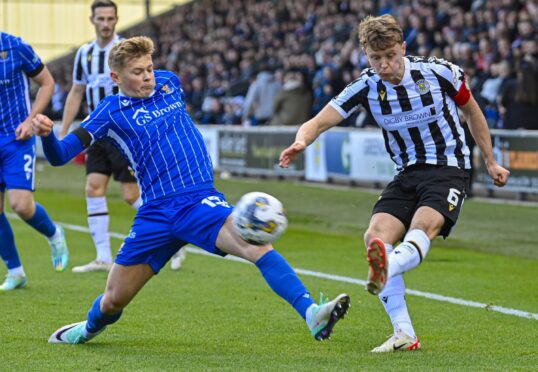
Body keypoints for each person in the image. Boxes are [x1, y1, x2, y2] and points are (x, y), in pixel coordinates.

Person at [32, 36, 350, 344]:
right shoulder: (109, 112)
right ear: (116, 76)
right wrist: (47, 134)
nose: (148, 77)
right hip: (155, 213)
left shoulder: (169, 82)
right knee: (113, 300)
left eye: (149, 68)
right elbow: (60, 155)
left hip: (199, 201)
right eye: (137, 72)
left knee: (255, 246)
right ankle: (87, 330)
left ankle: (312, 313)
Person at [279, 14, 510, 352]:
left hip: (448, 167)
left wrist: (490, 160)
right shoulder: (366, 85)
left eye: (390, 56)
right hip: (406, 173)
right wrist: (301, 141)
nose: (384, 65)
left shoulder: (439, 72)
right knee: (375, 236)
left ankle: (387, 267)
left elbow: (473, 112)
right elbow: (317, 122)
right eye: (376, 58)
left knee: (423, 226)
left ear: (403, 48)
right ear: (365, 55)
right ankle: (404, 333)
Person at [60, 0, 161, 273]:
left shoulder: (127, 51)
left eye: (110, 18)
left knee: (131, 194)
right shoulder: (85, 54)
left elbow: (147, 86)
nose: (105, 23)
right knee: (93, 187)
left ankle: (173, 232)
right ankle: (103, 257)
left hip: (124, 132)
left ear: (116, 20)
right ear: (92, 20)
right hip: (96, 132)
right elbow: (77, 91)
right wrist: (65, 128)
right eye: (101, 18)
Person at [0, 32, 69, 291]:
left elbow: (47, 83)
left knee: (21, 206)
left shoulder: (15, 47)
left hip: (16, 138)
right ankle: (16, 272)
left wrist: (31, 120)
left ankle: (54, 233)